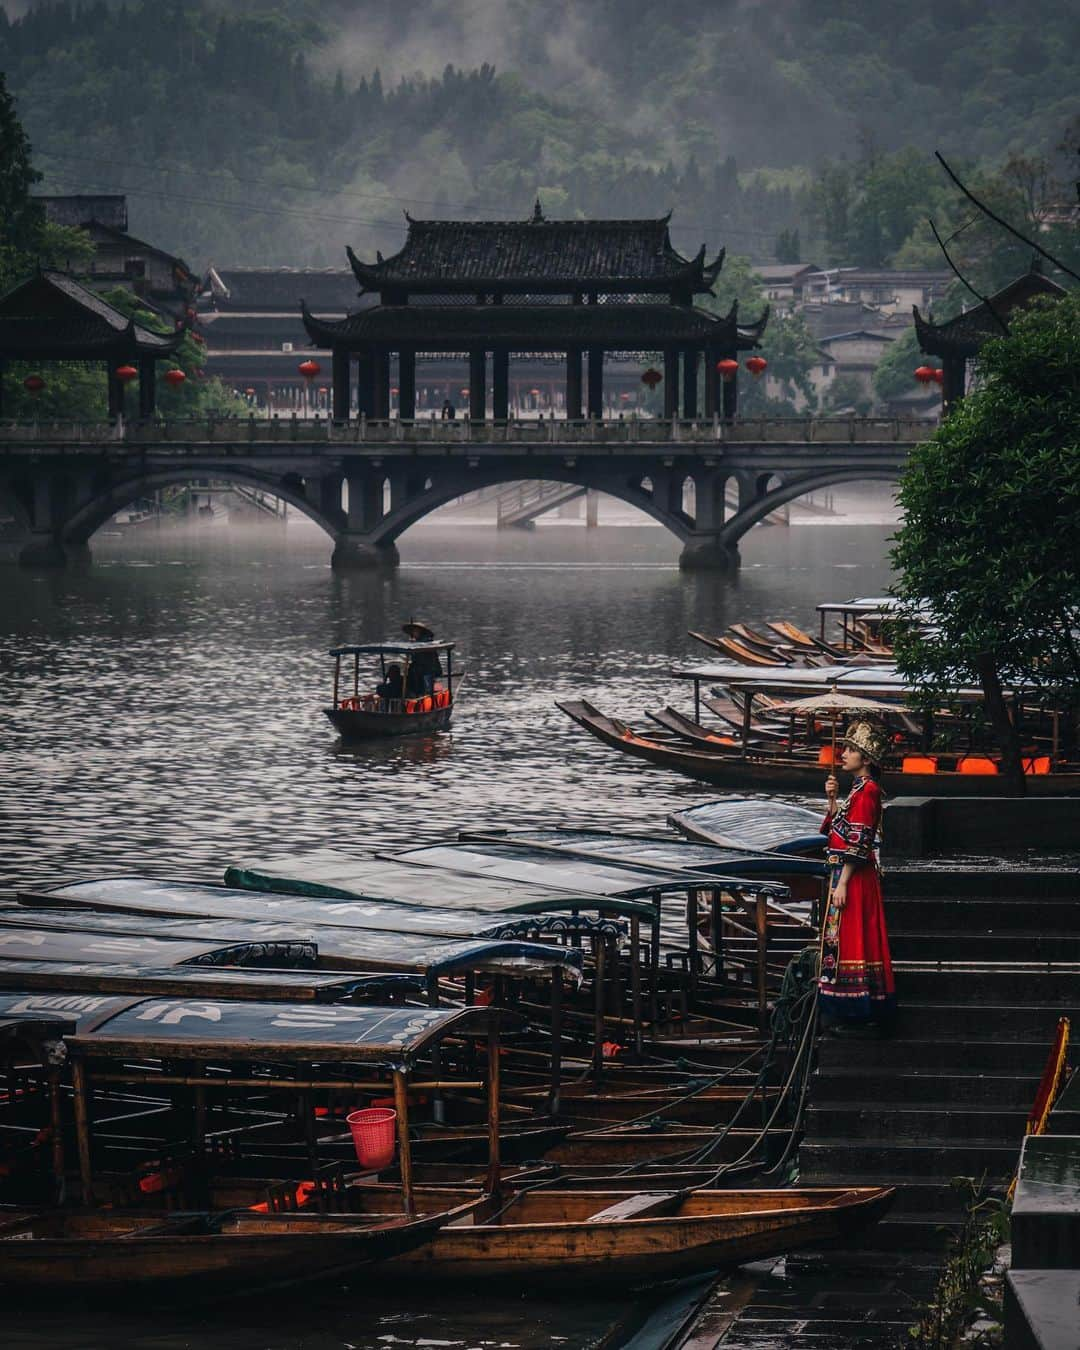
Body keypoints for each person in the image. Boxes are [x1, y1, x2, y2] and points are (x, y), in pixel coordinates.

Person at [818, 718, 896, 1035]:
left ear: (865, 758)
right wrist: (833, 801)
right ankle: (856, 1010)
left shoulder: (867, 791)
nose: (844, 754)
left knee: (853, 940)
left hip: (854, 874)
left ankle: (858, 1010)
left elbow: (860, 841)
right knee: (848, 939)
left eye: (851, 750)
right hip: (848, 870)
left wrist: (844, 882)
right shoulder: (858, 790)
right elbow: (841, 830)